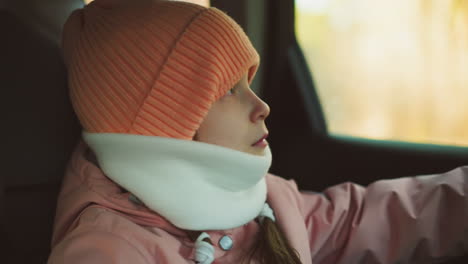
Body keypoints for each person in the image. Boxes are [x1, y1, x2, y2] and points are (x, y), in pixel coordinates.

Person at [48, 0, 468, 263]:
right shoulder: (110, 251)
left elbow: (365, 219)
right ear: (168, 119)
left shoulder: (267, 202)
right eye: (231, 89)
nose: (261, 106)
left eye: (250, 83)